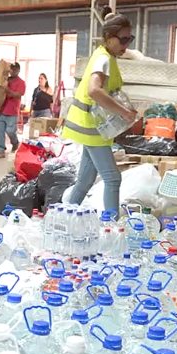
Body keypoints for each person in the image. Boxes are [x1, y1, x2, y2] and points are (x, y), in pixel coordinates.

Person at [63, 13, 137, 215]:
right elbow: (94, 90)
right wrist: (124, 112)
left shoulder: (104, 55)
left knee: (85, 180)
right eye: (123, 39)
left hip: (91, 125)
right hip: (92, 127)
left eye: (129, 39)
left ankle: (64, 216)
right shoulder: (103, 59)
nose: (126, 45)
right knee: (112, 178)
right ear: (109, 37)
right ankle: (111, 225)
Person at [0, 62, 25, 159]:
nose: (12, 71)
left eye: (15, 70)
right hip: (1, 110)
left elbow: (17, 95)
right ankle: (1, 151)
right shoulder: (4, 80)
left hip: (12, 111)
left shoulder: (21, 82)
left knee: (10, 131)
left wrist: (6, 89)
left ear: (18, 71)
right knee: (0, 132)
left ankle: (15, 143)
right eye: (11, 69)